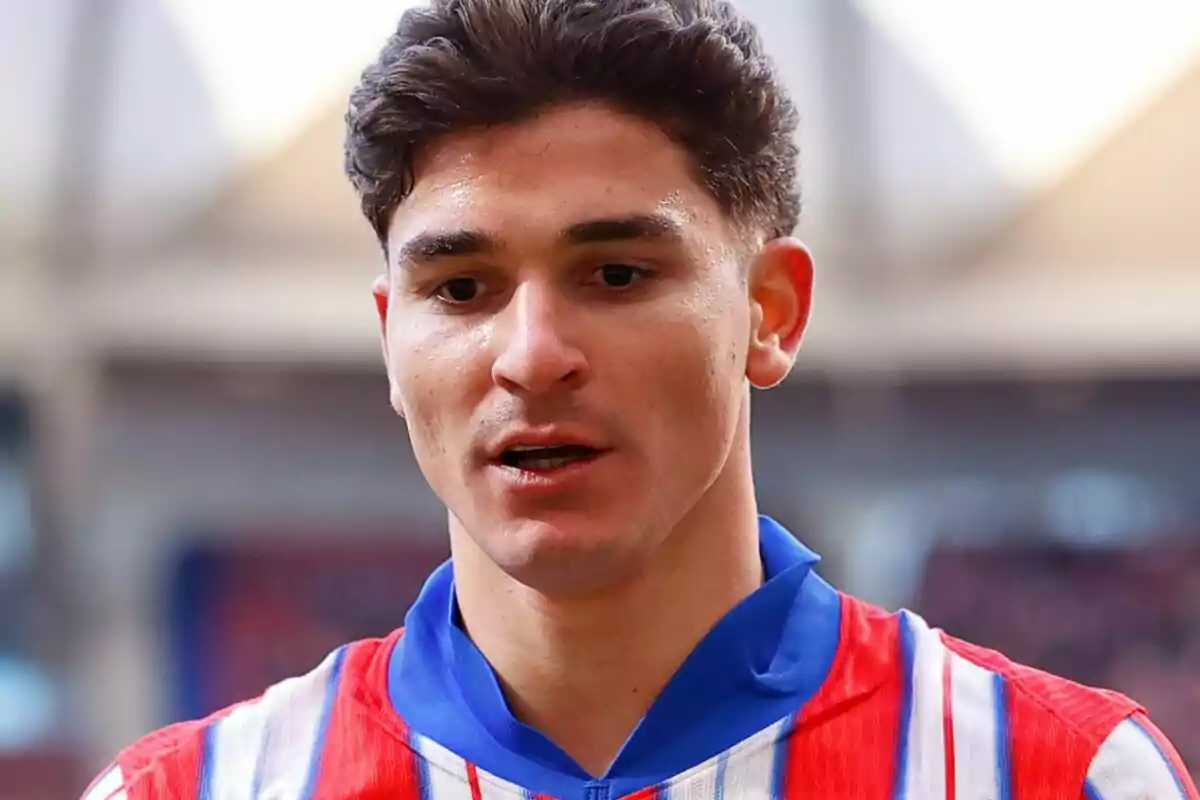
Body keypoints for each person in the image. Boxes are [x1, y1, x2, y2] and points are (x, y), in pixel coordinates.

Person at [83, 1, 1196, 798]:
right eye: (460, 287)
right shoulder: (187, 787)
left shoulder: (1061, 774)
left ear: (771, 311)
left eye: (616, 274)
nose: (531, 353)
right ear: (391, 339)